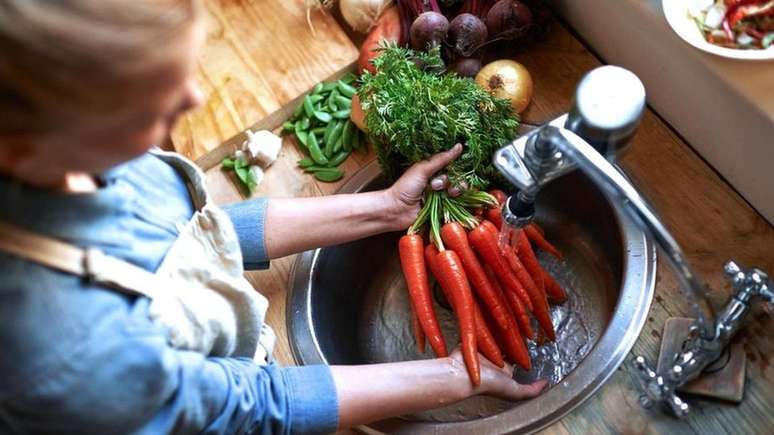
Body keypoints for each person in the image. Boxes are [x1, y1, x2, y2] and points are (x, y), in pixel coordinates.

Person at [0, 1, 546, 433]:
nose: (190, 98)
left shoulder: (64, 158)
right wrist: (455, 375)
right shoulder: (72, 353)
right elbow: (252, 409)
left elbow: (196, 235)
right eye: (150, 101)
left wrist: (385, 208)